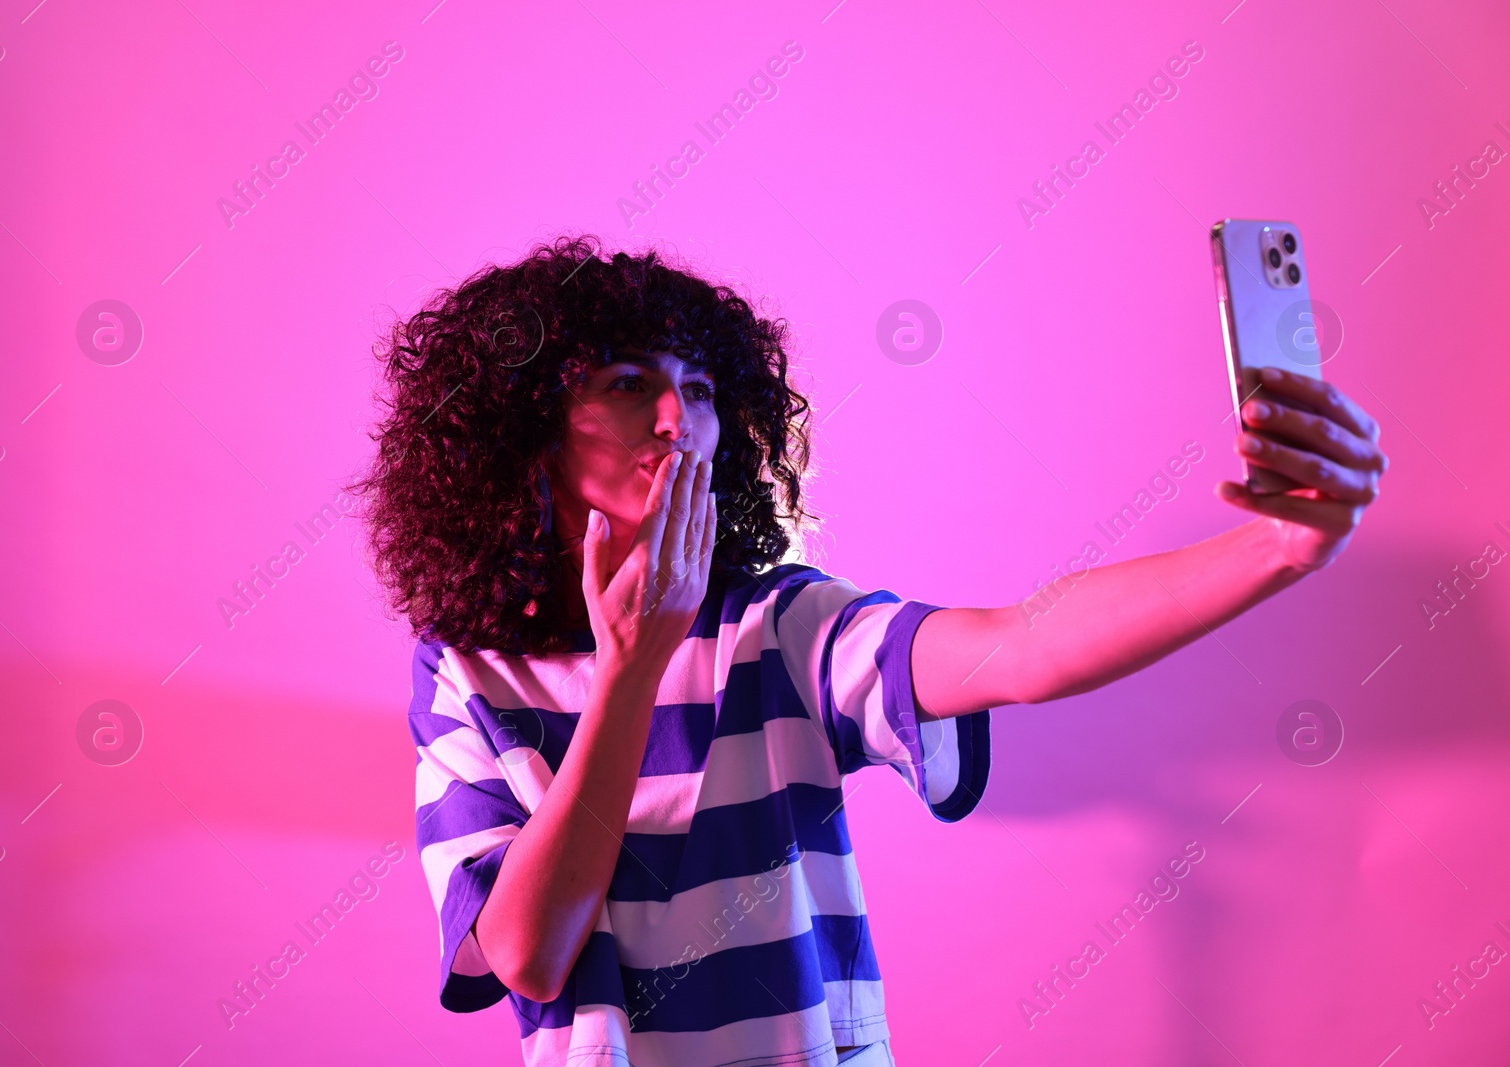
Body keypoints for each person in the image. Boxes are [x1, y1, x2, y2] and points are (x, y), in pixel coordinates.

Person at [347, 235, 1387, 1067]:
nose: (675, 417)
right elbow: (526, 951)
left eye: (700, 388)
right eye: (627, 383)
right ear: (530, 428)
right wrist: (631, 666)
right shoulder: (465, 676)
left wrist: (1276, 548)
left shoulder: (781, 627)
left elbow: (1018, 646)